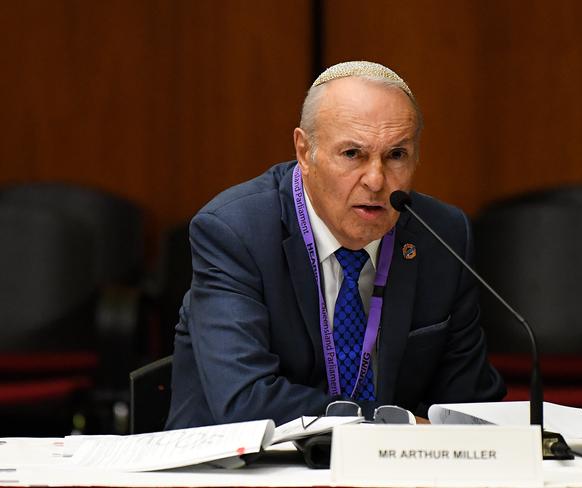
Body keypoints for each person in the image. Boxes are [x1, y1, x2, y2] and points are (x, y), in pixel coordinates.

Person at [166, 61, 505, 429]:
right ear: (304, 151)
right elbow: (245, 400)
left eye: (396, 155)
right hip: (246, 473)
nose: (376, 180)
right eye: (352, 154)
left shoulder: (441, 235)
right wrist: (391, 426)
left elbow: (470, 403)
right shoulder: (236, 233)